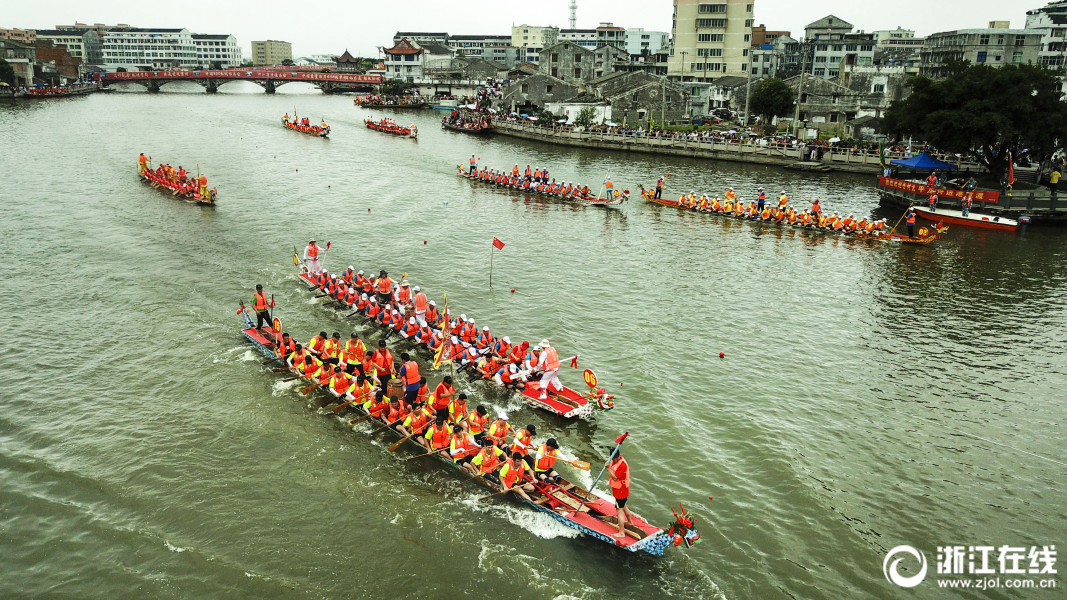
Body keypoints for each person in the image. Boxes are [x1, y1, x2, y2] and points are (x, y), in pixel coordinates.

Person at [607, 450, 633, 539]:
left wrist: (608, 468)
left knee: (619, 511)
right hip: (621, 491)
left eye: (616, 458)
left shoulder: (622, 465)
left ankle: (621, 533)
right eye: (613, 458)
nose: (614, 460)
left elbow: (614, 478)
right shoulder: (615, 461)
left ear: (619, 456)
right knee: (624, 505)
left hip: (621, 491)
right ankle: (630, 521)